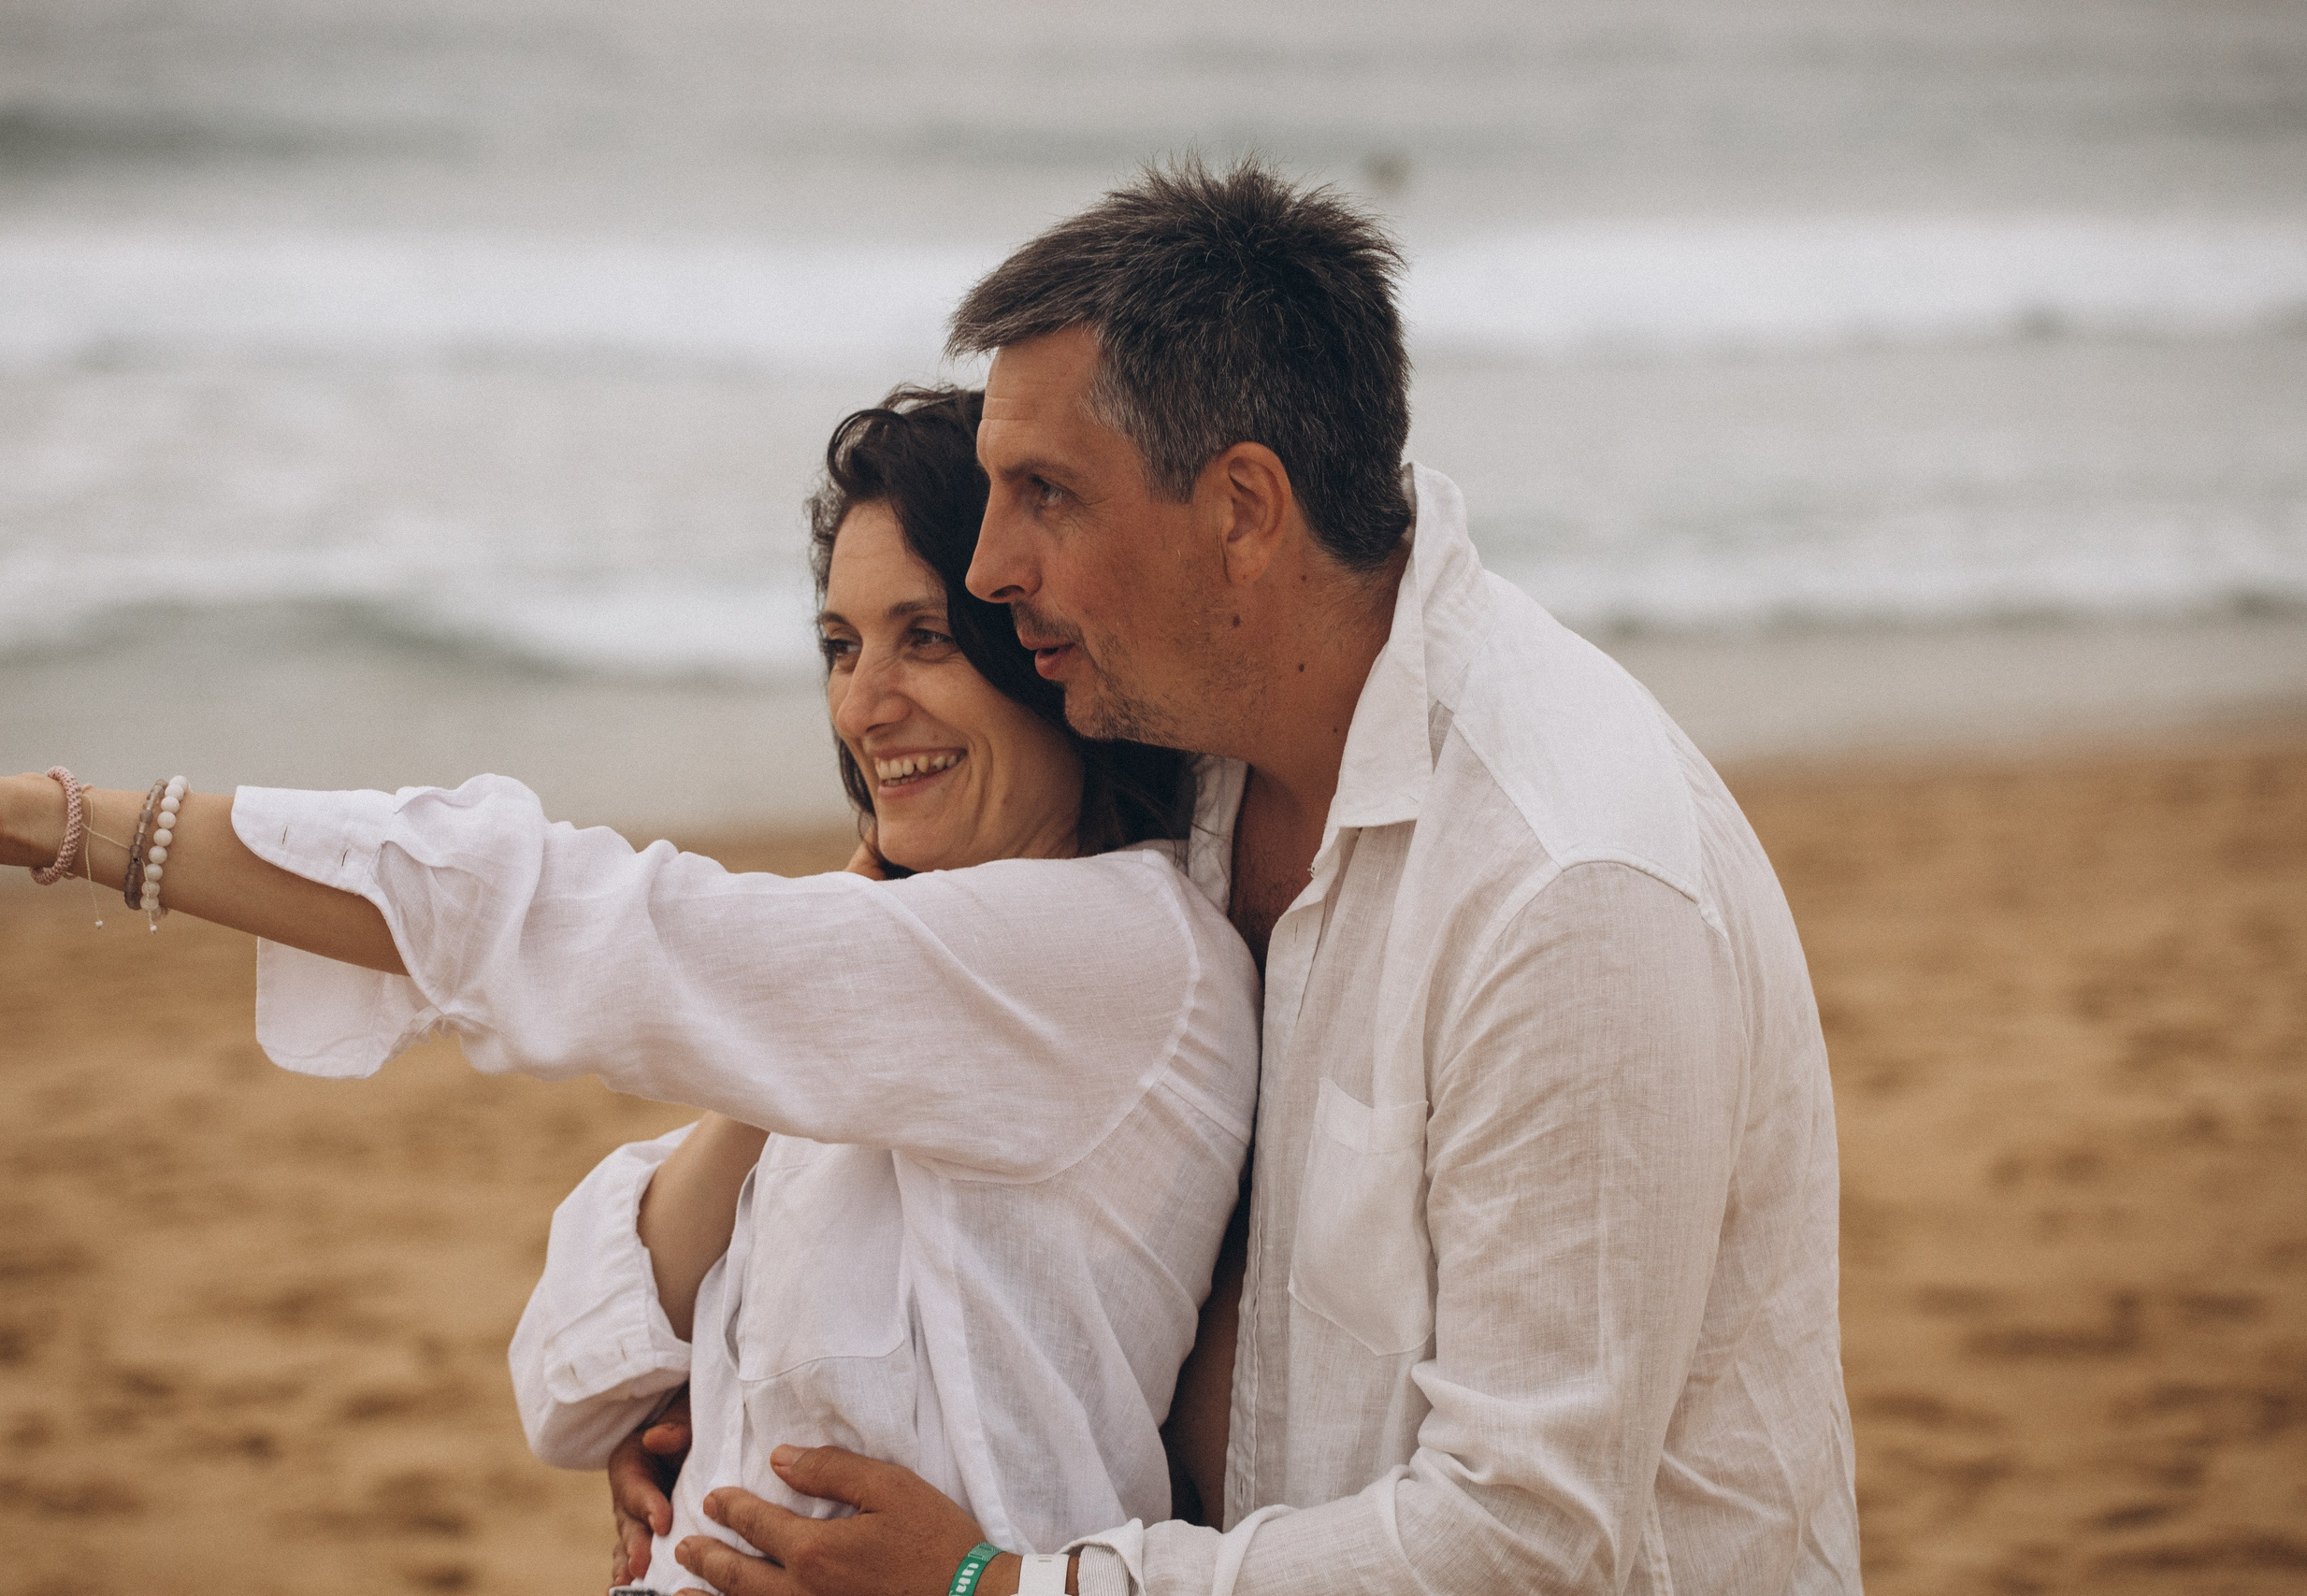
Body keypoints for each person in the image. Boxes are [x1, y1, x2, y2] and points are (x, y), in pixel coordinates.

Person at [646, 160, 1863, 1596]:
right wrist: (708, 1403)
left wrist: (1000, 1589)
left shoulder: (1565, 889)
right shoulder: (1191, 754)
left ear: (1241, 510)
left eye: (1045, 495)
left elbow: (1527, 1533)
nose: (990, 566)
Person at [0, 389, 1259, 1596]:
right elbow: (570, 1370)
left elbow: (567, 918)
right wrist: (787, 1039)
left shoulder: (1116, 957)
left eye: (926, 639)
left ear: (1038, 649)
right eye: (843, 644)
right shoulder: (881, 990)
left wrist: (49, 824)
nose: (865, 704)